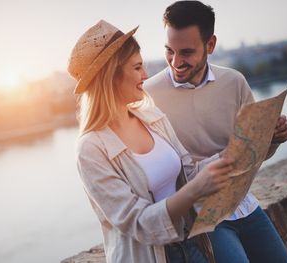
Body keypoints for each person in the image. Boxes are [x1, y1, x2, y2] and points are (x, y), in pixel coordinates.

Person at [67, 19, 234, 263]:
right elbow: (137, 222)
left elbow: (188, 171)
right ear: (111, 76)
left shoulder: (150, 116)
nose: (145, 75)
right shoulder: (90, 148)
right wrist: (196, 189)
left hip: (191, 243)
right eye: (136, 68)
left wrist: (245, 148)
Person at [145, 1, 287, 263]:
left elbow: (253, 154)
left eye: (186, 52)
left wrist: (273, 139)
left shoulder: (234, 82)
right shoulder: (148, 96)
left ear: (210, 45)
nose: (176, 62)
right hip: (201, 220)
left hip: (244, 205)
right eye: (169, 50)